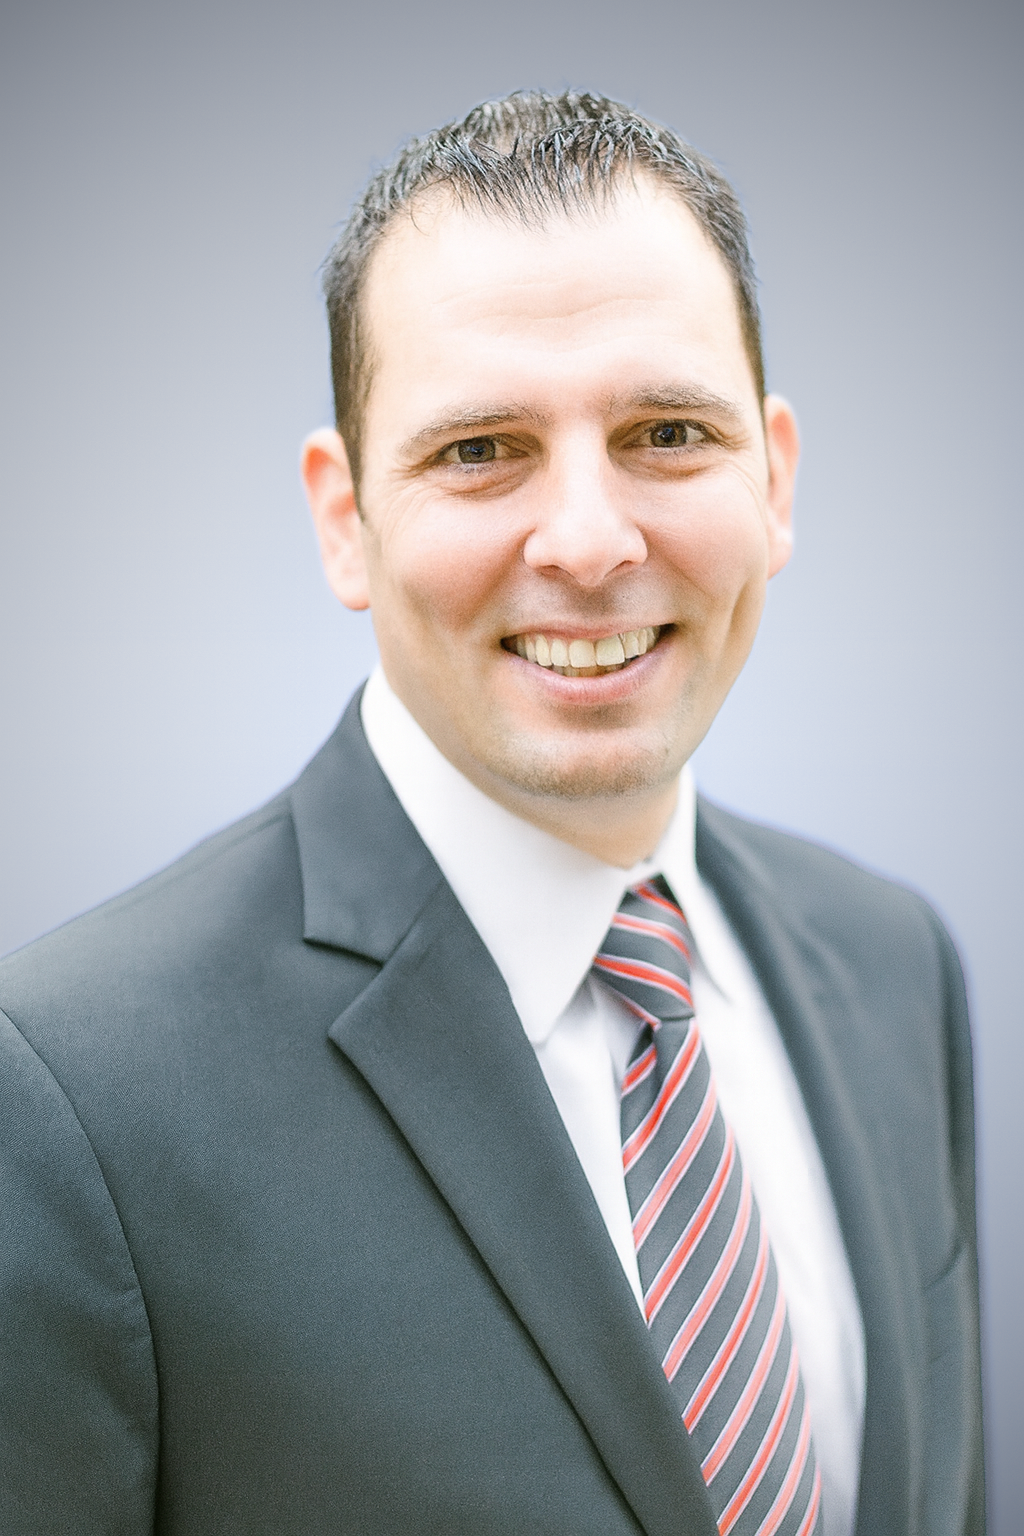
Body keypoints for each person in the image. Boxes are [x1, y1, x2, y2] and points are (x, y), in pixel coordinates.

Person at [0, 91, 983, 1536]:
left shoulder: (896, 965)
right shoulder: (65, 1096)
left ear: (774, 478)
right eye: (479, 450)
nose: (588, 540)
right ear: (344, 518)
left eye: (667, 431)